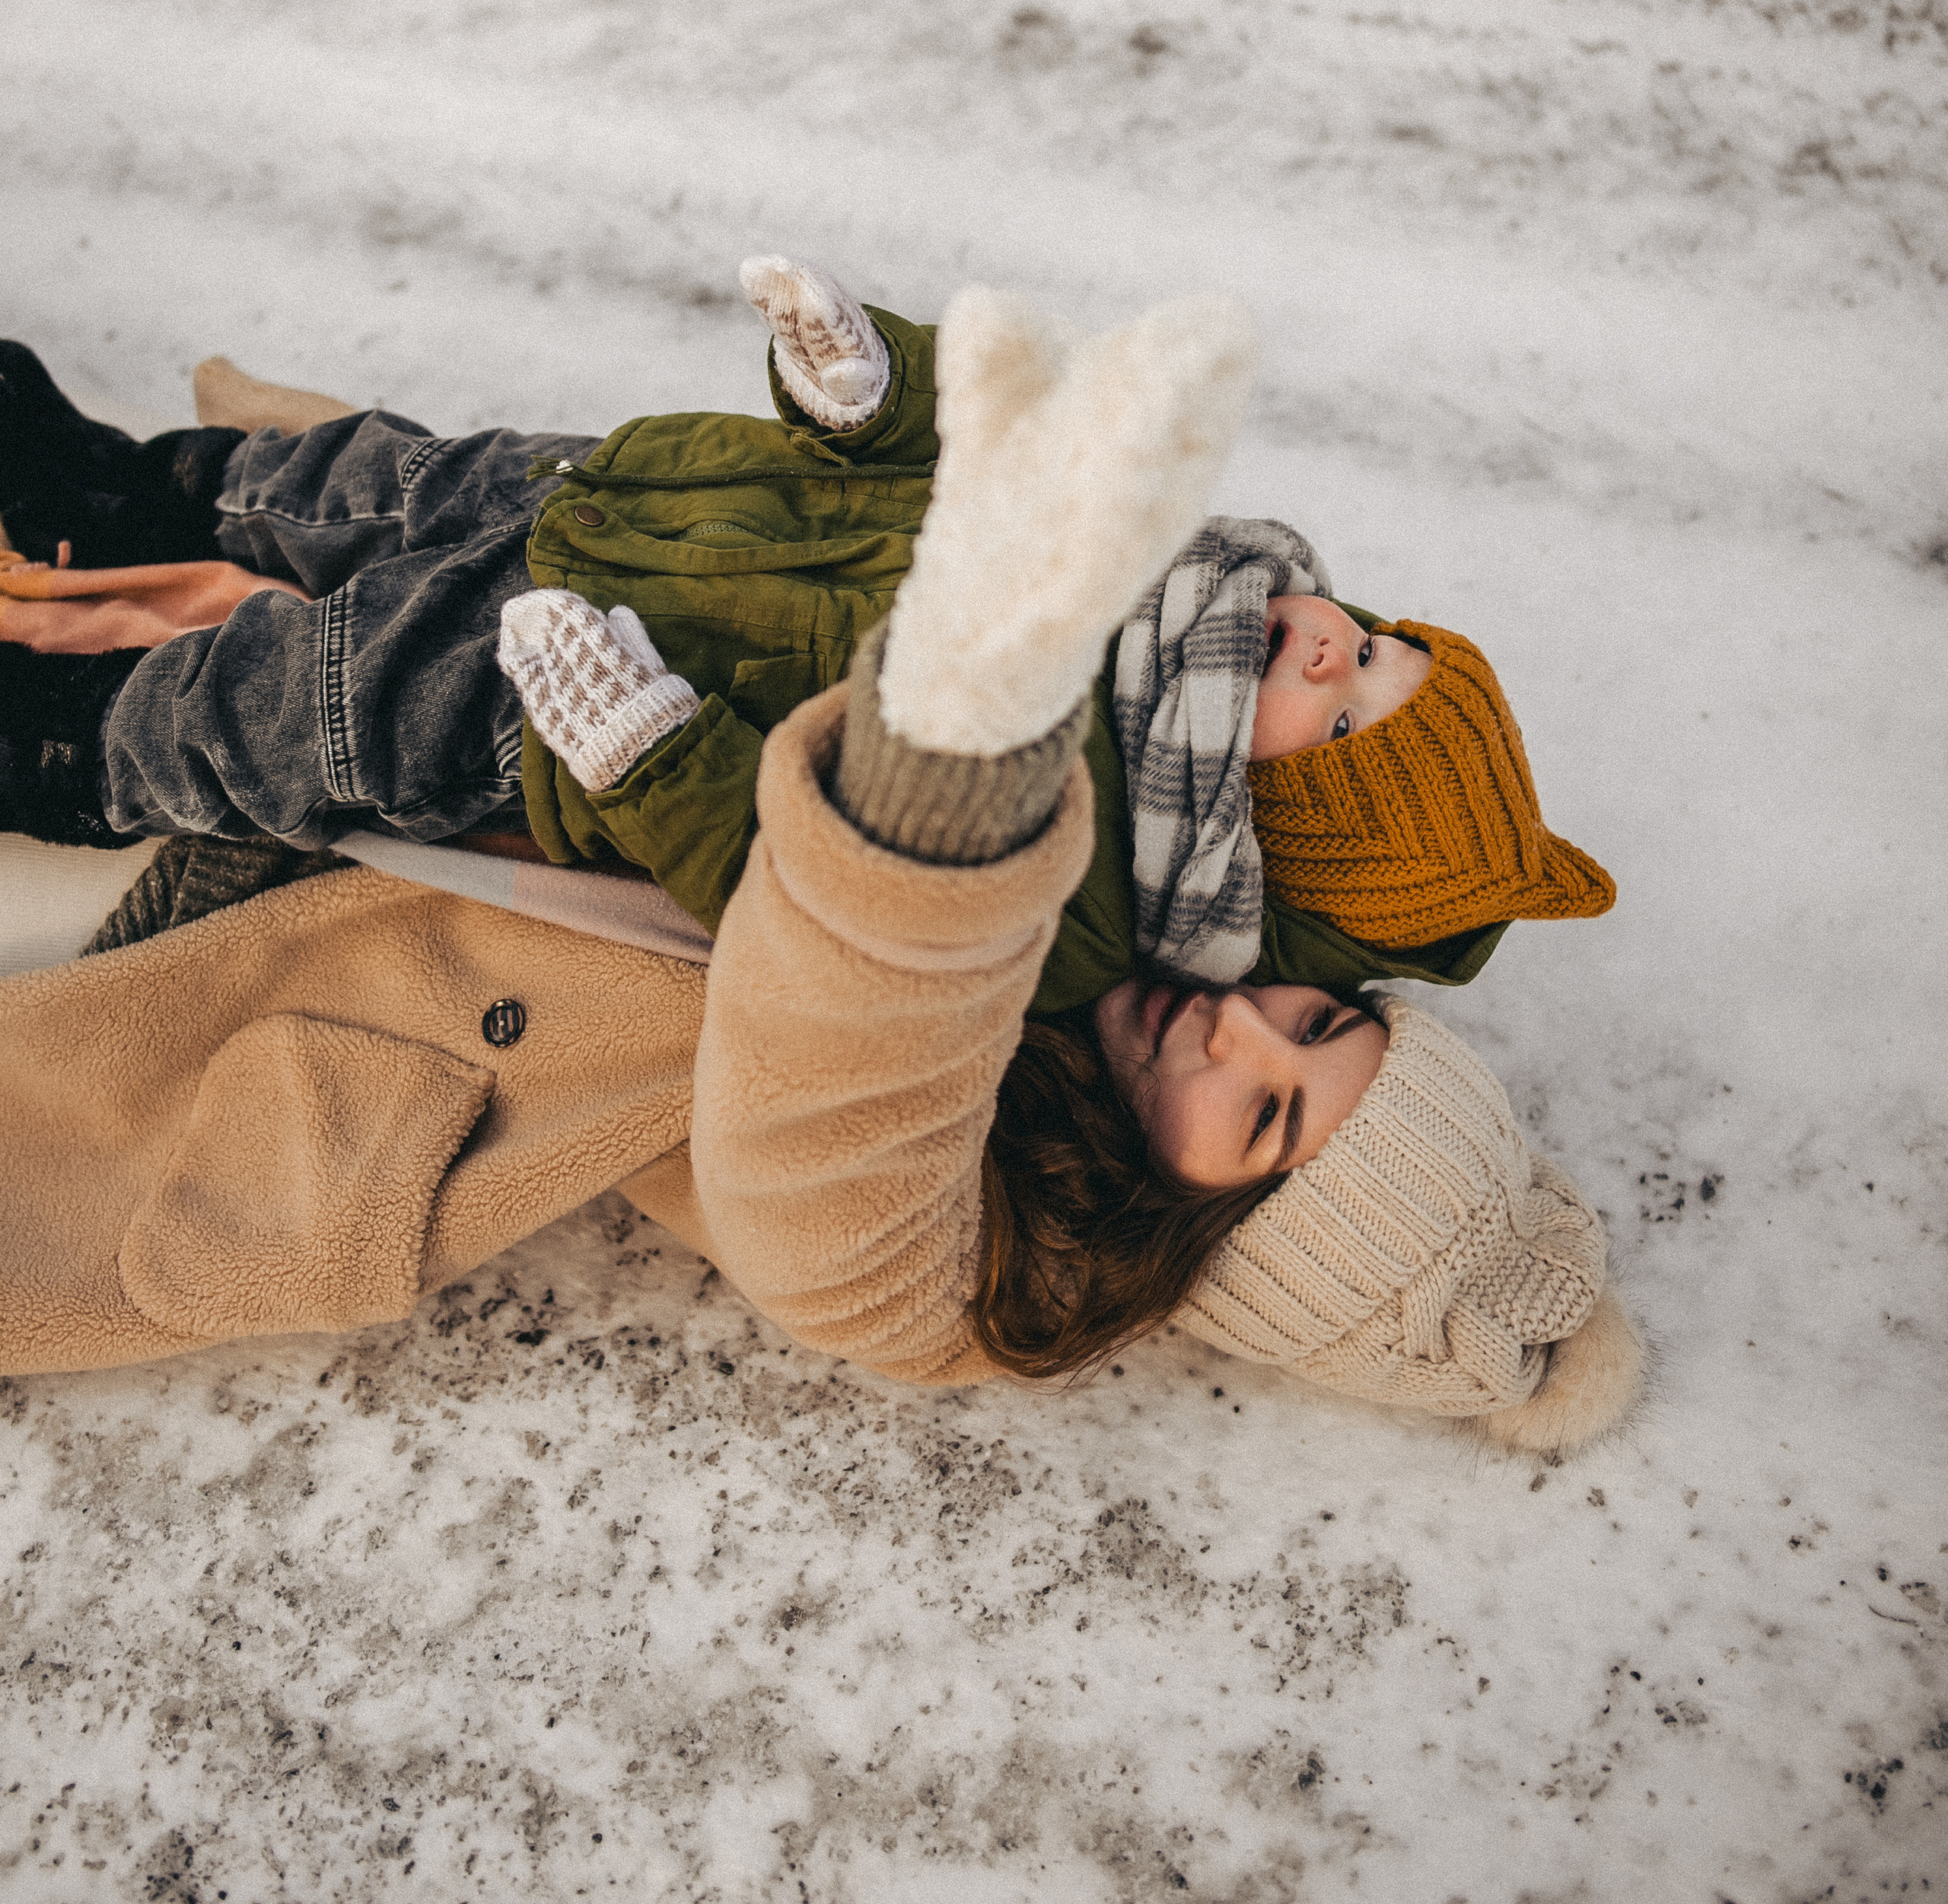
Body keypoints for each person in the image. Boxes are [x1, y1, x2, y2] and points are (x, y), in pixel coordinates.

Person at [0, 287, 1641, 1451]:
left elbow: (853, 1041)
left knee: (251, 696)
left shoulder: (970, 1286)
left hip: (433, 870)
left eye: (1266, 1113)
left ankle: (62, 696)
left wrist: (939, 757)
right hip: (595, 659)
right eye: (1312, 1019)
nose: (1236, 1032)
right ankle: (109, 508)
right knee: (393, 510)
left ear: (1210, 1244)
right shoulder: (1181, 916)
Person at [0, 263, 1612, 1029]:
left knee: (318, 707)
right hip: (629, 491)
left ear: (1281, 831)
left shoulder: (1075, 881)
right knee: (364, 477)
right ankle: (123, 491)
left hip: (574, 690)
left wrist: (647, 750)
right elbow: (986, 439)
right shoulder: (1132, 542)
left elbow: (816, 895)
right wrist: (868, 385)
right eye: (1383, 643)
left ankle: (73, 745)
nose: (1338, 655)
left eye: (1345, 729)